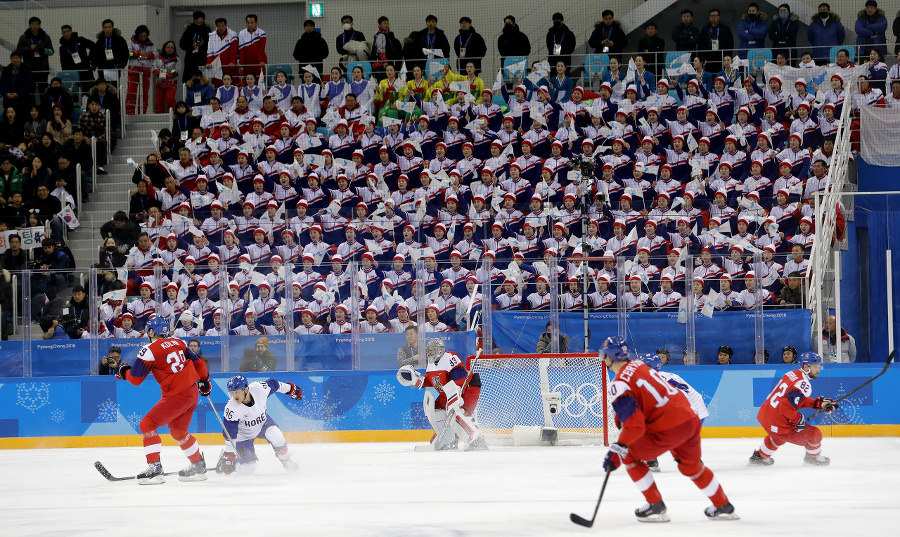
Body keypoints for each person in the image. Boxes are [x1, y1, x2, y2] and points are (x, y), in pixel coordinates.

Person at [600, 336, 737, 521]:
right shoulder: (641, 366)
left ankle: (655, 504)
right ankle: (723, 505)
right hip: (690, 419)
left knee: (629, 455)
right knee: (691, 466)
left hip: (667, 427)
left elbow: (634, 425)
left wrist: (617, 450)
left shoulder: (618, 384)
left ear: (608, 358)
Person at [115, 316, 211, 483]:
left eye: (148, 330)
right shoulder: (178, 342)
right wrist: (205, 381)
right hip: (191, 393)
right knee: (178, 432)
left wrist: (122, 371)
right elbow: (199, 362)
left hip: (177, 395)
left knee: (147, 424)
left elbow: (136, 379)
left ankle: (155, 469)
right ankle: (198, 466)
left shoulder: (149, 349)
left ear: (152, 331)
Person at [397, 339, 487, 451]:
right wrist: (415, 380)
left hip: (468, 388)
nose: (430, 353)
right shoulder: (431, 363)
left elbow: (459, 380)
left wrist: (453, 401)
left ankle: (477, 440)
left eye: (432, 350)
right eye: (429, 351)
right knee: (436, 411)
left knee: (460, 413)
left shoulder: (450, 357)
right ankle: (448, 438)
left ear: (439, 350)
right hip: (447, 392)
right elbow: (431, 381)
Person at [750, 351, 838, 466]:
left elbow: (792, 399)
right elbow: (785, 407)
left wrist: (818, 404)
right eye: (815, 367)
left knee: (779, 437)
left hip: (765, 415)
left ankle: (760, 457)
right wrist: (797, 419)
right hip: (777, 422)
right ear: (806, 367)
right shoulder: (803, 384)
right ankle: (813, 458)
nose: (818, 370)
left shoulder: (792, 374)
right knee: (814, 434)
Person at [215, 375, 303, 475]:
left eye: (237, 392)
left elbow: (275, 385)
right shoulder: (231, 409)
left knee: (277, 436)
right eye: (232, 393)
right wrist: (229, 453)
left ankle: (286, 460)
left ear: (245, 389)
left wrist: (291, 389)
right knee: (248, 470)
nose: (234, 396)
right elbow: (230, 433)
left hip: (263, 424)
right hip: (244, 436)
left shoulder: (259, 389)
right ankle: (232, 464)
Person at [639, 352, 710, 472]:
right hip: (697, 410)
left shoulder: (655, 381)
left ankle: (651, 460)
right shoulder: (663, 376)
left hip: (688, 411)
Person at [16, 17, 53, 93]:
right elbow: (18, 51)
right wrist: (29, 48)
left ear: (40, 25)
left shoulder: (46, 37)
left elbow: (51, 51)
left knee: (43, 90)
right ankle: (30, 105)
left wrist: (42, 50)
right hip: (29, 69)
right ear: (30, 25)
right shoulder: (23, 38)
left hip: (43, 69)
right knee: (30, 90)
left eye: (37, 24)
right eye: (33, 24)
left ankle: (44, 105)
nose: (35, 26)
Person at [58, 24, 95, 90]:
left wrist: (90, 59)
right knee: (75, 93)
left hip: (85, 70)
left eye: (68, 31)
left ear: (71, 31)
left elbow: (93, 46)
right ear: (62, 33)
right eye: (64, 32)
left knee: (90, 91)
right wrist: (66, 73)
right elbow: (63, 62)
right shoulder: (62, 48)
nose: (66, 33)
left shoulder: (80, 40)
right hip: (73, 73)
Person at [179, 11, 212, 82]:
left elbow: (212, 46)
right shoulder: (189, 30)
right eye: (197, 23)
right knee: (189, 82)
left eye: (201, 23)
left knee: (202, 82)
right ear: (194, 21)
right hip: (190, 61)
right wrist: (192, 45)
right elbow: (182, 44)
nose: (199, 25)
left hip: (202, 60)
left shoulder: (207, 31)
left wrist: (203, 45)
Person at [1, 51, 35, 117]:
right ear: (11, 59)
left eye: (17, 58)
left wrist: (18, 94)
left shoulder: (26, 69)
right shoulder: (6, 70)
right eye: (13, 58)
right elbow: (1, 84)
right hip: (8, 100)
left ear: (21, 59)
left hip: (23, 100)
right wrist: (5, 93)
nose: (15, 60)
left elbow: (30, 84)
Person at [238, 14, 267, 83]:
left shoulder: (262, 33)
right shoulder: (242, 33)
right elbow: (241, 49)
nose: (250, 24)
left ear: (256, 23)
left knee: (260, 82)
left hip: (259, 62)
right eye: (248, 23)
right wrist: (241, 63)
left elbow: (261, 48)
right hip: (247, 62)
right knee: (247, 82)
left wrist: (260, 61)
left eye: (252, 23)